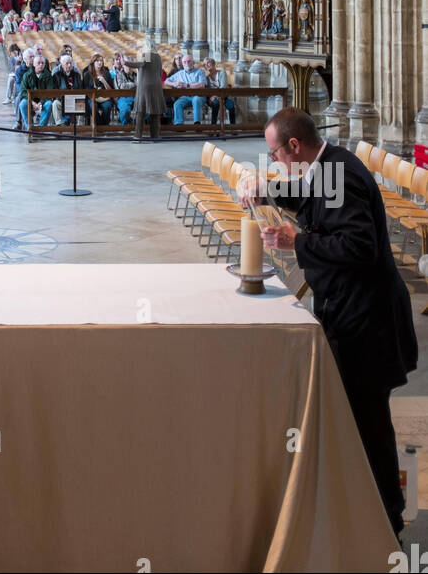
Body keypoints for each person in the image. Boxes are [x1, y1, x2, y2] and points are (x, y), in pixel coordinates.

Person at [240, 108, 418, 541]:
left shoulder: (343, 173)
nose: (275, 161)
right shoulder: (329, 165)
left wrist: (295, 240)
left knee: (371, 425)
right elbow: (308, 197)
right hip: (353, 313)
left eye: (275, 155)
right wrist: (269, 193)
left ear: (295, 147)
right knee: (361, 419)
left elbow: (357, 245)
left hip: (368, 321)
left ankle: (388, 526)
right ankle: (367, 511)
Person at [128, 43, 166, 140]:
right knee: (155, 112)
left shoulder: (147, 54)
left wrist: (125, 63)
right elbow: (160, 73)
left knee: (140, 111)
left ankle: (137, 136)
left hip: (145, 87)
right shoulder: (158, 57)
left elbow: (141, 64)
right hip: (157, 87)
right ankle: (155, 136)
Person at [15, 53, 56, 131]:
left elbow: (49, 92)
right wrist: (32, 102)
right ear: (33, 64)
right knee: (22, 104)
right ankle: (29, 127)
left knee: (49, 104)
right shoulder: (27, 75)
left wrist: (41, 102)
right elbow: (23, 91)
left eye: (42, 63)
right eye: (38, 63)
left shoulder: (48, 76)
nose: (41, 65)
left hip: (43, 100)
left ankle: (41, 128)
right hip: (30, 99)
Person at [166, 54, 208, 124]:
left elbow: (202, 84)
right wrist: (174, 84)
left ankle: (197, 123)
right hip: (185, 97)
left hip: (199, 96)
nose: (187, 63)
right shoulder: (179, 73)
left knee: (196, 100)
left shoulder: (200, 71)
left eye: (189, 61)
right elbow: (166, 81)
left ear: (193, 62)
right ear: (182, 64)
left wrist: (187, 85)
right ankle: (179, 124)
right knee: (177, 103)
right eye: (184, 62)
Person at [51, 50, 84, 125]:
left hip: (75, 100)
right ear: (62, 65)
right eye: (67, 63)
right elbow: (54, 89)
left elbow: (80, 88)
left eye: (70, 63)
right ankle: (59, 124)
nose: (69, 65)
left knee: (82, 102)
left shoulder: (76, 74)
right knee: (55, 104)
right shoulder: (56, 75)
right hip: (61, 100)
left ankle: (80, 126)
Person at [82, 52, 114, 125]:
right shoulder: (87, 74)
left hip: (105, 98)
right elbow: (85, 89)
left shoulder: (107, 73)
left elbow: (111, 90)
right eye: (97, 61)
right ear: (93, 62)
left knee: (107, 106)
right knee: (93, 106)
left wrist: (104, 81)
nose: (100, 62)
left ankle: (103, 125)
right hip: (92, 98)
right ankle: (100, 125)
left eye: (101, 61)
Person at [204, 57, 235, 126]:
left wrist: (216, 96)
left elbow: (223, 86)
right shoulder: (206, 78)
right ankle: (213, 127)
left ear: (214, 64)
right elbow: (207, 90)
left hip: (224, 97)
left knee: (231, 105)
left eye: (208, 63)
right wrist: (210, 97)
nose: (207, 65)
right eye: (205, 64)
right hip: (212, 99)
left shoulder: (222, 73)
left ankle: (233, 127)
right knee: (216, 103)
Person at [110, 51, 136, 126]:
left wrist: (131, 86)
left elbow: (140, 86)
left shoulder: (136, 75)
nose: (129, 67)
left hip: (135, 97)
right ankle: (124, 125)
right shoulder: (119, 75)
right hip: (122, 97)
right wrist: (133, 84)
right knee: (125, 110)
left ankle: (136, 124)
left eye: (131, 65)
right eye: (127, 65)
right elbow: (121, 86)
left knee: (146, 109)